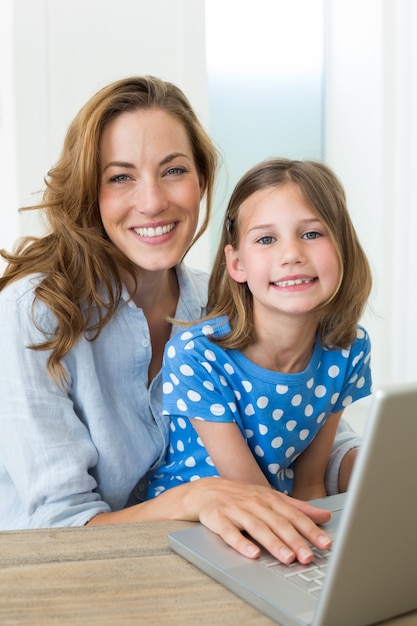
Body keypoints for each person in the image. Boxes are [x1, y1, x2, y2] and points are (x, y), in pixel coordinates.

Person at [0, 77, 359, 565]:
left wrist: (383, 471)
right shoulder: (33, 315)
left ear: (202, 181)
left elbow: (309, 430)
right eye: (120, 177)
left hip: (200, 562)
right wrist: (195, 498)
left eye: (173, 170)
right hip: (62, 576)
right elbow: (63, 527)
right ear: (90, 192)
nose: (152, 202)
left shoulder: (224, 303)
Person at [147, 158, 372, 503]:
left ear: (342, 248)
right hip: (191, 525)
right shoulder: (197, 355)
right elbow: (253, 497)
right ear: (237, 264)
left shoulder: (349, 349)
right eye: (266, 239)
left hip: (279, 517)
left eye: (311, 233)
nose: (291, 254)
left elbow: (310, 486)